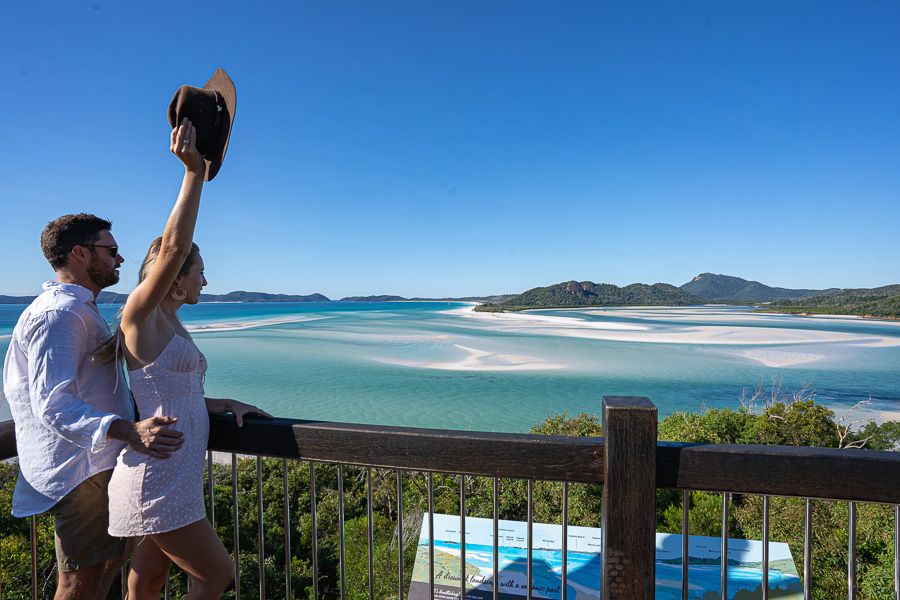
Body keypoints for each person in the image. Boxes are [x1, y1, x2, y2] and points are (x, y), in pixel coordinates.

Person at [107, 118, 271, 599]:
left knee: (149, 579)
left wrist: (224, 404)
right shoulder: (143, 316)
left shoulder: (174, 323)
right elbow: (176, 244)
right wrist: (193, 174)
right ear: (174, 276)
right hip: (156, 475)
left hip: (177, 475)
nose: (205, 280)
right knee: (216, 575)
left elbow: (174, 391)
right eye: (199, 272)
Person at [3, 213, 186, 600]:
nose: (120, 260)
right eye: (112, 250)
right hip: (79, 469)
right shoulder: (60, 313)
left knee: (103, 573)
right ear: (80, 253)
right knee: (79, 583)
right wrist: (128, 430)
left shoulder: (79, 309)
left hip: (94, 462)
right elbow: (52, 403)